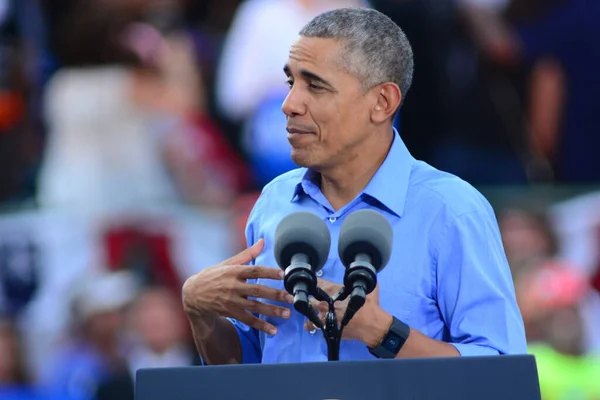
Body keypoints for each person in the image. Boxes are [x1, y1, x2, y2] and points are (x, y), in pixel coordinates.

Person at [182, 7, 527, 364]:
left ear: (382, 102)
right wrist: (201, 313)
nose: (289, 104)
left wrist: (382, 332)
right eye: (291, 83)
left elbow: (500, 370)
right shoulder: (273, 201)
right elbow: (250, 368)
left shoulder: (452, 210)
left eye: (314, 85)